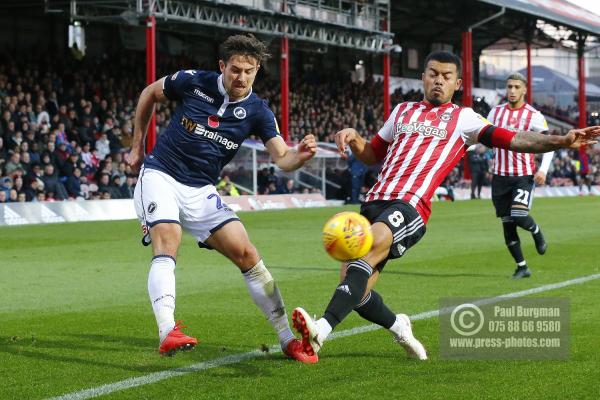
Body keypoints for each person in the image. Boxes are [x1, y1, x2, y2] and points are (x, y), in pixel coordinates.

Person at [292, 51, 599, 362]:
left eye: (446, 76)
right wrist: (355, 138)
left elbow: (513, 139)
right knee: (355, 292)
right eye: (433, 73)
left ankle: (320, 332)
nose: (438, 79)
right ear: (423, 77)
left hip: (411, 205)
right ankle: (400, 326)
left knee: (366, 255)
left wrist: (560, 141)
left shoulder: (464, 118)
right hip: (374, 202)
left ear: (458, 83)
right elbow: (372, 154)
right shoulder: (402, 111)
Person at [126, 34, 318, 362]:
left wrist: (299, 156)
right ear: (222, 66)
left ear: (257, 72)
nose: (241, 77)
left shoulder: (258, 111)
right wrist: (136, 145)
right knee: (168, 238)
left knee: (248, 254)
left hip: (201, 190)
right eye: (235, 70)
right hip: (161, 174)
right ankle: (167, 330)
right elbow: (149, 94)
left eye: (249, 71)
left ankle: (287, 339)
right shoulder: (191, 81)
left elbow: (282, 158)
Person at [486, 73, 554, 278]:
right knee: (507, 224)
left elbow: (549, 144)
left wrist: (543, 169)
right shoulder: (495, 113)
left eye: (516, 87)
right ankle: (522, 266)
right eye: (509, 87)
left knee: (519, 215)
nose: (512, 91)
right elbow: (480, 135)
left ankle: (536, 232)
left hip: (522, 177)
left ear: (524, 89)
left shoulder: (533, 115)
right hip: (499, 177)